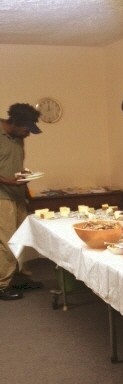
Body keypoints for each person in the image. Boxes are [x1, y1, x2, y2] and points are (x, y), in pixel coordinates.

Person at [0, 103, 42, 300]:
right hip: (2, 197)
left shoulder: (18, 138)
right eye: (27, 129)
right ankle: (1, 285)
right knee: (7, 243)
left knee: (21, 239)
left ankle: (17, 279)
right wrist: (8, 180)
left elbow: (16, 167)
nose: (28, 134)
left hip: (17, 196)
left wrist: (27, 193)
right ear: (15, 122)